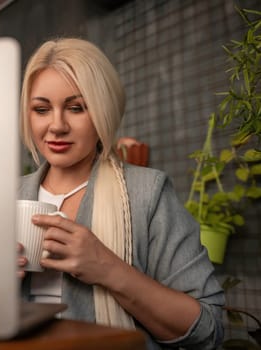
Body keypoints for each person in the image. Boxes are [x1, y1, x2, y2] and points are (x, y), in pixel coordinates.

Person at [16, 38, 224, 349]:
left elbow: (207, 330)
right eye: (42, 109)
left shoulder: (146, 193)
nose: (56, 126)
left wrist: (106, 267)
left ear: (103, 110)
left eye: (76, 108)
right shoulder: (4, 199)